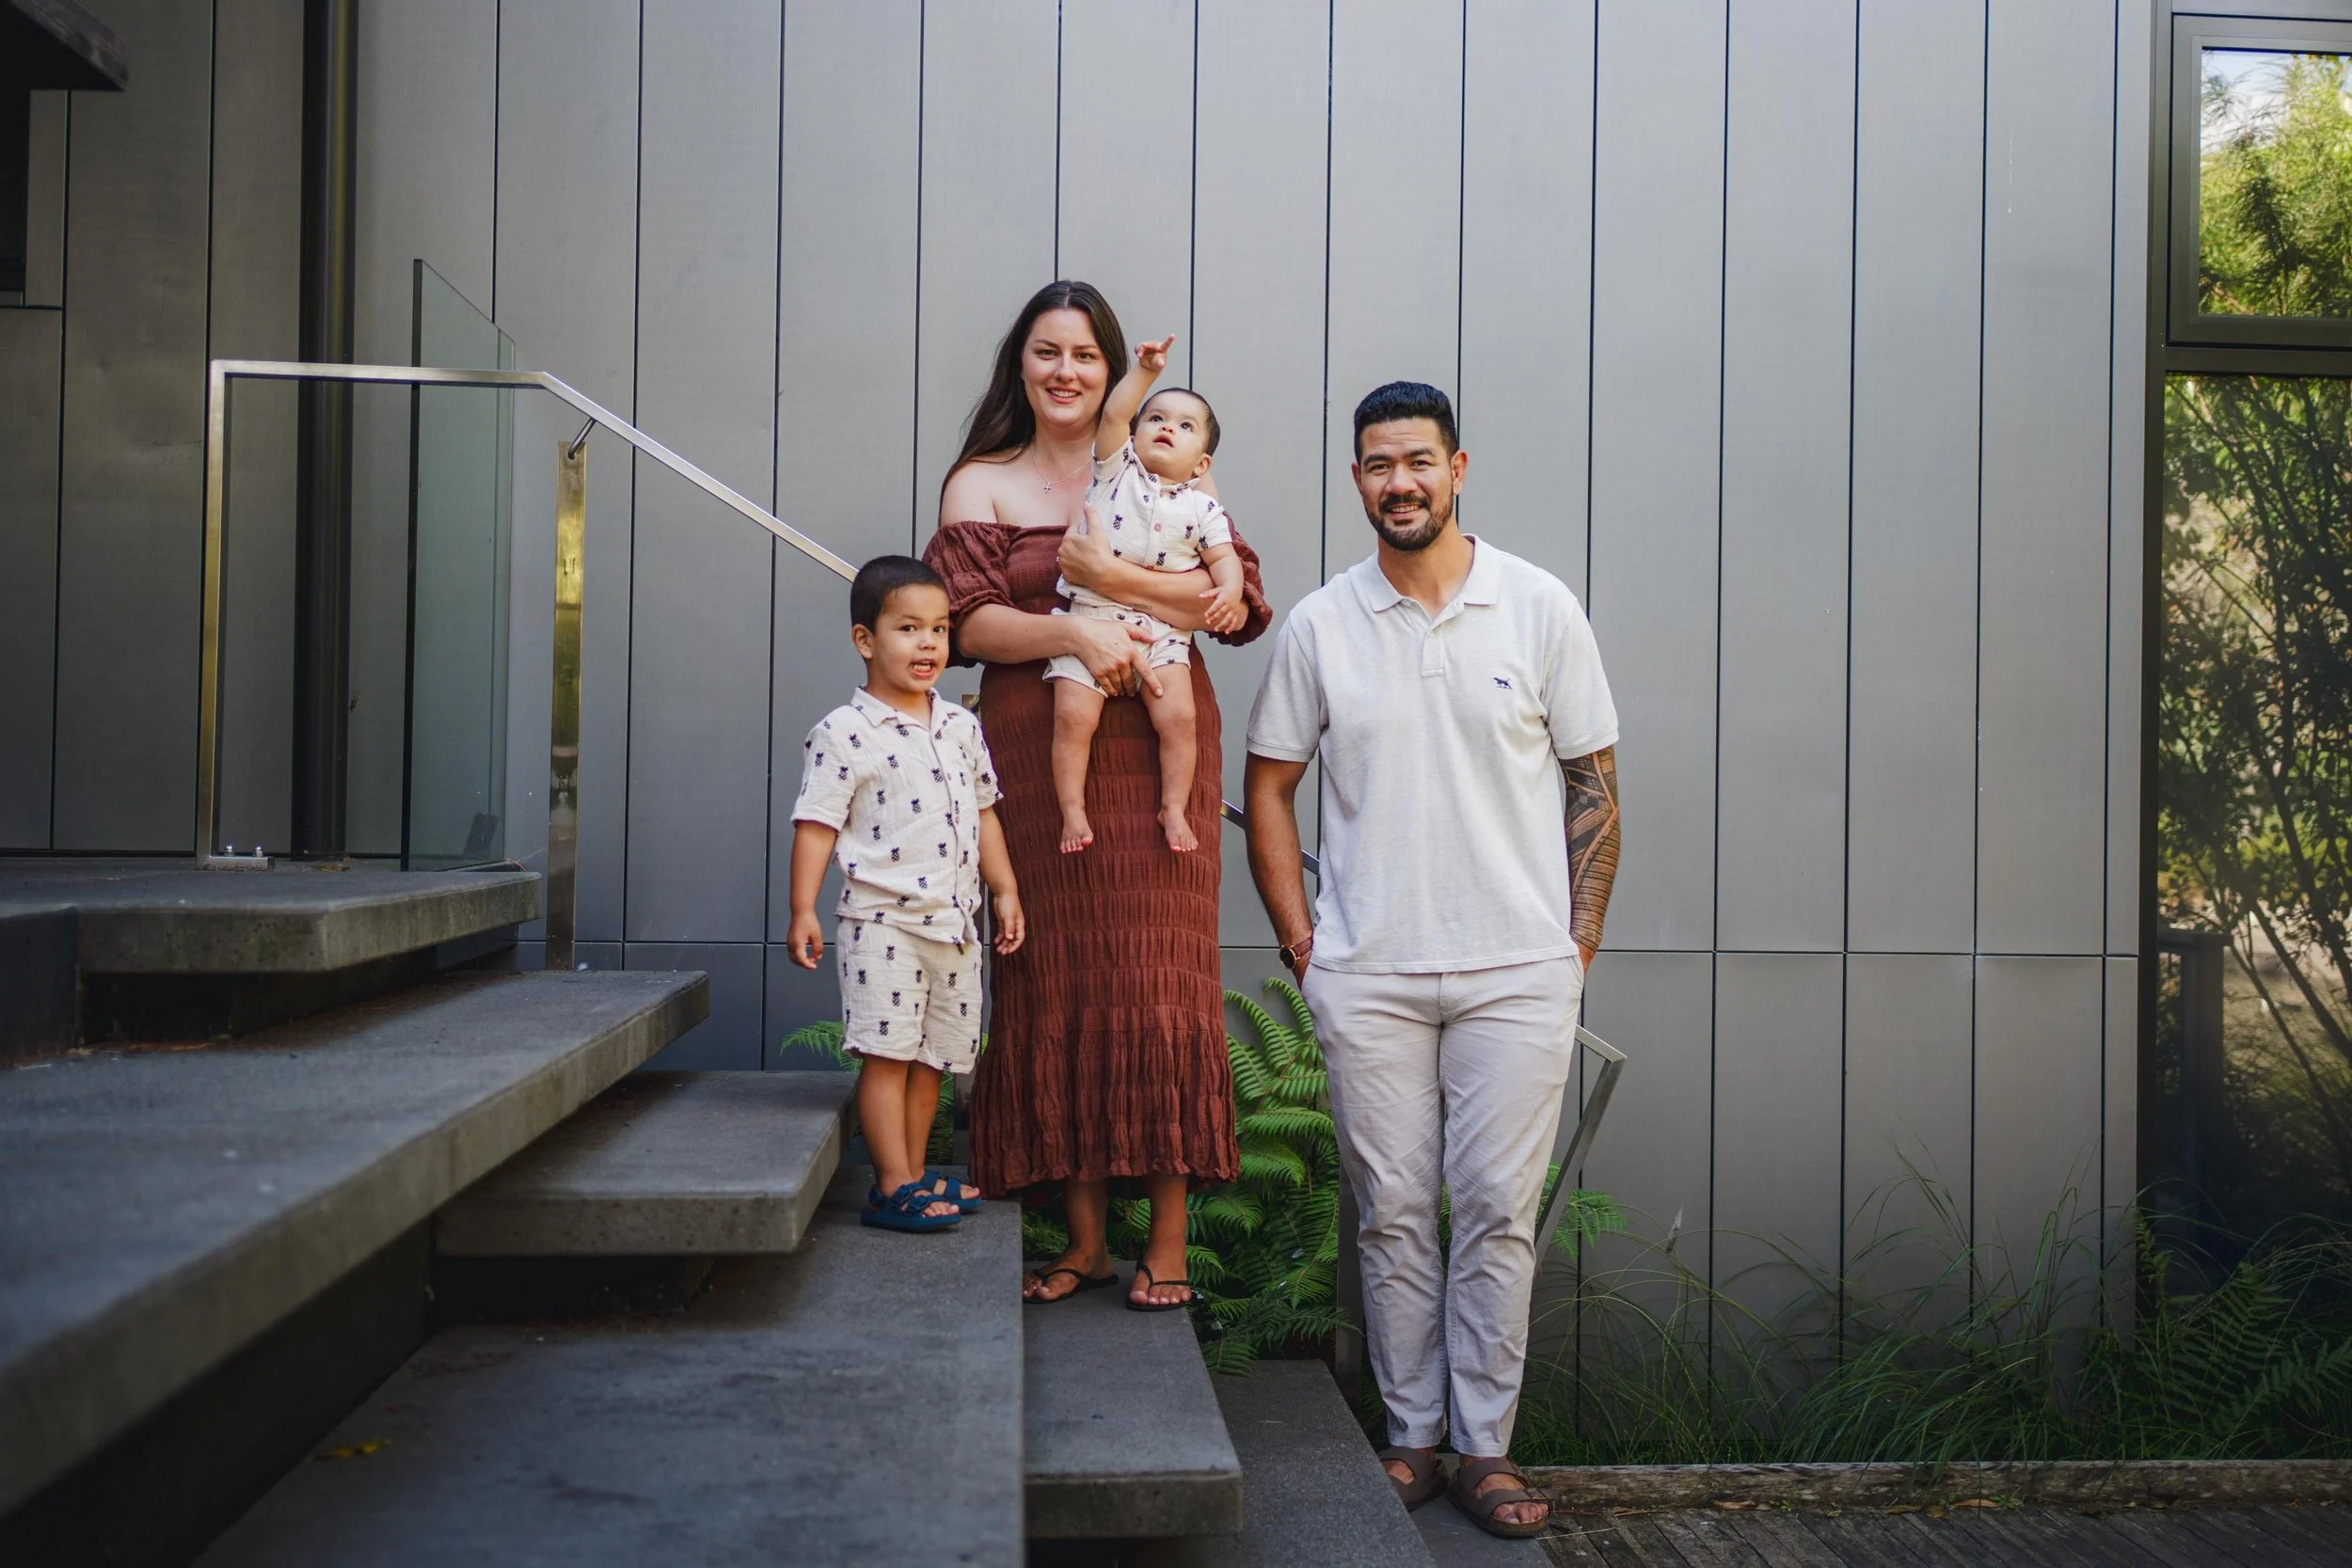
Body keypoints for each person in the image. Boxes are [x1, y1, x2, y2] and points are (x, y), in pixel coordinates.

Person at [1243, 382, 1621, 1539]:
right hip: (1370, 970)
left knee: (1500, 1207)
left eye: (1417, 460)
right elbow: (1267, 786)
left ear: (1459, 468)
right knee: (1394, 1209)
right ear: (1355, 479)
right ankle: (1410, 1436)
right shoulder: (1320, 623)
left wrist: (1573, 950)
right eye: (1374, 464)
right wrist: (1304, 946)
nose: (1397, 481)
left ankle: (1485, 1447)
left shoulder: (1539, 606)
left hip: (1517, 970)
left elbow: (1595, 784)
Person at [925, 280, 1271, 1310]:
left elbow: (1240, 605)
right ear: (1019, 366)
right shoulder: (980, 482)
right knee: (1059, 978)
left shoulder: (1164, 454)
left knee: (1161, 979)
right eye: (1046, 352)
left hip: (1161, 756)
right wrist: (1076, 628)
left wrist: (1101, 578)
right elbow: (964, 624)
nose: (1065, 371)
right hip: (1039, 758)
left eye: (1084, 354)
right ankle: (1078, 1240)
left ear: (1113, 369)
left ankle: (1164, 1239)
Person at [787, 555, 1026, 1233]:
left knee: (935, 1060)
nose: (928, 644)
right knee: (888, 1055)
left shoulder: (960, 727)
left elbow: (984, 813)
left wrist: (1004, 889)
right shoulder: (844, 732)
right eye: (909, 628)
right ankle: (892, 1184)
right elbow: (816, 823)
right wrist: (803, 907)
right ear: (866, 640)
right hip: (881, 921)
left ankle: (915, 1176)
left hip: (954, 925)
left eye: (940, 629)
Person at [1046, 331, 1248, 855]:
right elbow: (1113, 416)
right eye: (1156, 419)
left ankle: (1173, 806)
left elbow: (1225, 559)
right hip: (1093, 617)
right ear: (1135, 436)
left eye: (1185, 427)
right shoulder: (1118, 470)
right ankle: (1072, 809)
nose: (1166, 428)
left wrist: (1229, 590)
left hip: (1164, 633)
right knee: (1073, 716)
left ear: (1202, 462)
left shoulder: (1203, 508)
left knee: (1180, 718)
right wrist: (1146, 374)